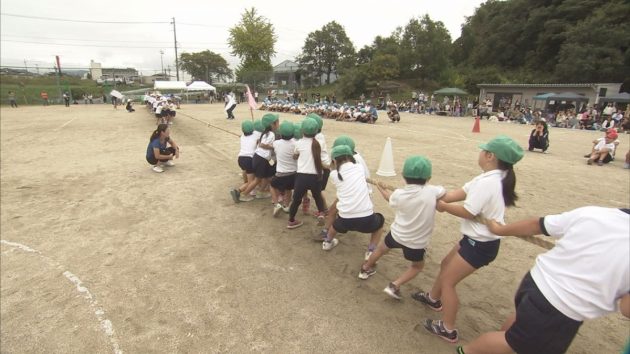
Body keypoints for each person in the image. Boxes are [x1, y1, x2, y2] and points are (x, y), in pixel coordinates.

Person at [457, 206, 629, 354]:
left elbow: (537, 224)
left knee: (519, 325)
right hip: (561, 303)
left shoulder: (596, 213)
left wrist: (501, 230)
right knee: (513, 341)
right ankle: (468, 351)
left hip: (536, 280)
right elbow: (626, 308)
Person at [414, 135, 524, 343]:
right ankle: (433, 299)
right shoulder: (487, 177)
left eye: (483, 150)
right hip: (473, 239)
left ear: (490, 156)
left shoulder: (489, 182)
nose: (480, 153)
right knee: (446, 264)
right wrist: (431, 195)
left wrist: (444, 207)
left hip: (480, 244)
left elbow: (469, 211)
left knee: (448, 281)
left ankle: (448, 328)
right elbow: (459, 193)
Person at [358, 156, 446, 301]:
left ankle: (365, 268)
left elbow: (388, 197)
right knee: (417, 266)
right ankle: (395, 285)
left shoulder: (399, 194)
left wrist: (380, 187)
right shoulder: (432, 191)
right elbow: (443, 192)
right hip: (416, 242)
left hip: (397, 234)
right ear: (429, 177)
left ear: (404, 176)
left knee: (380, 250)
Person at [321, 144, 384, 260]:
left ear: (334, 160)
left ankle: (327, 242)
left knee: (335, 224)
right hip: (367, 218)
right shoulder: (359, 168)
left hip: (345, 220)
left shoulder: (333, 175)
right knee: (380, 223)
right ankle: (371, 250)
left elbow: (337, 171)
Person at [287, 118, 328, 229]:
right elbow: (325, 160)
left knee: (296, 200)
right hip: (316, 176)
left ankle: (291, 220)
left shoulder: (299, 143)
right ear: (317, 130)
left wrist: (297, 156)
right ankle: (321, 213)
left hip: (302, 176)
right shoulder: (320, 142)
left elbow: (295, 156)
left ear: (302, 131)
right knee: (317, 196)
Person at [270, 121, 297, 216]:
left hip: (281, 173)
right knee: (289, 190)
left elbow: (271, 146)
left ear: (280, 133)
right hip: (293, 174)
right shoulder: (296, 143)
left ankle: (277, 204)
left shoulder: (277, 143)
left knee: (272, 186)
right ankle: (286, 206)